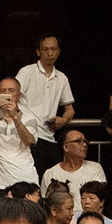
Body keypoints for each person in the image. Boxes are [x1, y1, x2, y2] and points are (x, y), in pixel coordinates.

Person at [16, 33, 75, 170]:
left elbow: (70, 109)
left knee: (52, 180)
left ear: (59, 51)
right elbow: (11, 95)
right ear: (38, 52)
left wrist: (63, 120)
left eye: (53, 49)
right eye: (45, 49)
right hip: (28, 134)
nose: (50, 53)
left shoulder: (61, 78)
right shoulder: (27, 72)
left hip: (48, 136)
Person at [40, 125, 105, 202]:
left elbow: (99, 199)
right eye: (78, 141)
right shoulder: (50, 174)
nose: (84, 145)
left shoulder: (95, 168)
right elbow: (47, 204)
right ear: (66, 147)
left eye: (85, 141)